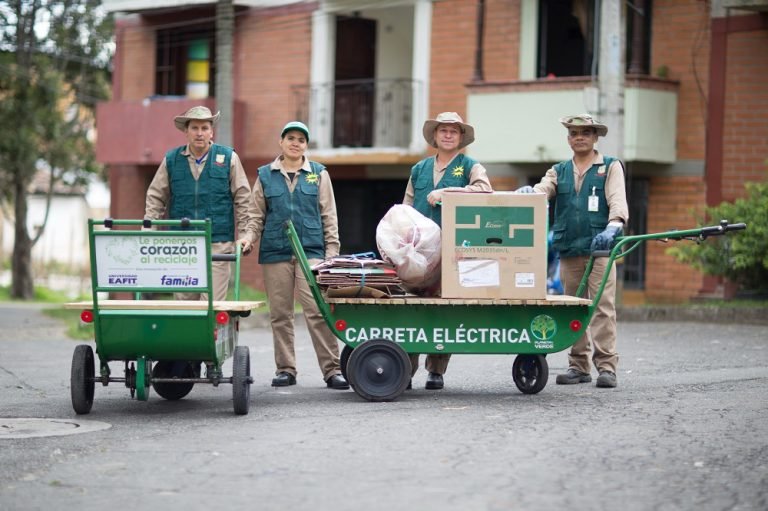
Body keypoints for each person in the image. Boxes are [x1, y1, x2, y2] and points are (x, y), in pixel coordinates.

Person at [517, 113, 629, 388]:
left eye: (585, 133)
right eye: (574, 133)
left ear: (595, 137)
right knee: (572, 308)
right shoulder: (559, 170)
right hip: (570, 250)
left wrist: (613, 227)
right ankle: (578, 366)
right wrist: (530, 192)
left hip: (601, 249)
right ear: (568, 139)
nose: (579, 137)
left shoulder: (610, 167)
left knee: (602, 307)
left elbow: (617, 201)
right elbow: (545, 189)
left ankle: (607, 367)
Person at [252, 121, 349, 390]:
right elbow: (255, 215)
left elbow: (330, 216)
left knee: (317, 310)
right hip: (275, 251)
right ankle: (285, 369)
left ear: (306, 145)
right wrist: (248, 237)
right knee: (280, 314)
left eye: (301, 140)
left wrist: (332, 253)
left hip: (312, 252)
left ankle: (332, 370)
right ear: (281, 142)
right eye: (291, 138)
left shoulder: (318, 174)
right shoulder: (264, 175)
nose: (296, 143)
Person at [403, 111, 493, 390]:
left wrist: (449, 192)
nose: (448, 134)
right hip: (417, 251)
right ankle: (406, 369)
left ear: (461, 137)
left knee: (442, 307)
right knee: (412, 308)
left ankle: (436, 370)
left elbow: (485, 190)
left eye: (454, 130)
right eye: (443, 130)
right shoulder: (418, 169)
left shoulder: (470, 165)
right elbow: (405, 207)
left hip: (452, 247)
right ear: (435, 135)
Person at [144, 105, 256, 302]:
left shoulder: (228, 158)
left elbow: (243, 198)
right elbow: (156, 196)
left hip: (218, 243)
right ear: (185, 131)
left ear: (211, 131)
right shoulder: (171, 159)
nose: (199, 133)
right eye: (194, 128)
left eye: (204, 128)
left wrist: (246, 234)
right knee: (185, 304)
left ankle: (212, 333)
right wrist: (149, 228)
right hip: (181, 244)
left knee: (211, 304)